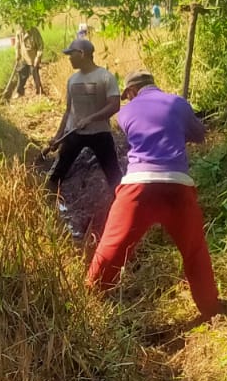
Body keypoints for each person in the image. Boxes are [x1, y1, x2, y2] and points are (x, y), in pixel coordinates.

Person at [85, 72, 219, 318]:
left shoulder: (123, 114)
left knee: (111, 248)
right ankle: (211, 310)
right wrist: (181, 126)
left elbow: (140, 133)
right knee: (195, 251)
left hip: (138, 185)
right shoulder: (178, 103)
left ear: (132, 91)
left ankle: (88, 301)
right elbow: (200, 135)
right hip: (177, 184)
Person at [44, 37, 122, 191]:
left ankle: (121, 207)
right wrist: (58, 137)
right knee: (56, 174)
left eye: (71, 55)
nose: (69, 59)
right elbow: (68, 111)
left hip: (100, 134)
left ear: (81, 53)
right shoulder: (72, 80)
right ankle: (48, 206)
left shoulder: (105, 77)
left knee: (114, 176)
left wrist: (91, 118)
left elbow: (114, 105)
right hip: (74, 133)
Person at [1, 24, 45, 101]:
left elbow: (40, 46)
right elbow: (17, 45)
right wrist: (17, 54)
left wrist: (38, 58)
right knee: (21, 75)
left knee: (35, 75)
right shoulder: (19, 32)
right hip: (24, 58)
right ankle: (19, 92)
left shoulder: (34, 32)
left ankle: (40, 92)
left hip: (33, 59)